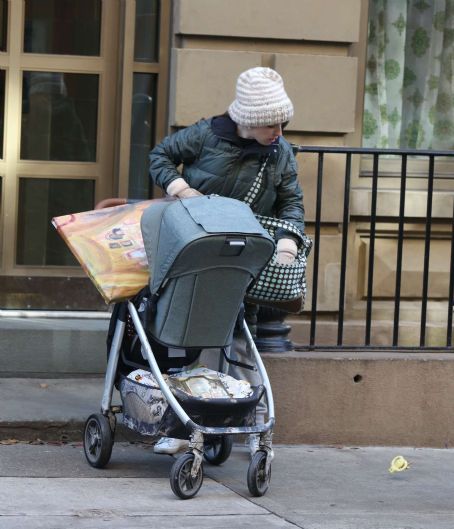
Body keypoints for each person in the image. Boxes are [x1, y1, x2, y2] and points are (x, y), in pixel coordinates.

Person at [148, 66, 305, 455]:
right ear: (249, 121)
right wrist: (182, 189)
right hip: (198, 253)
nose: (279, 132)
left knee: (241, 345)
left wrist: (287, 241)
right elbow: (161, 156)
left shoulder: (279, 153)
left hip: (245, 260)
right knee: (190, 340)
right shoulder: (206, 135)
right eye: (271, 124)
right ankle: (184, 429)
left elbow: (292, 203)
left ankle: (253, 429)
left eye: (282, 122)